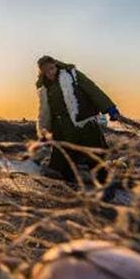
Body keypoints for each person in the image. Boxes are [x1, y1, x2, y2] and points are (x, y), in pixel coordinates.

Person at [36, 56, 120, 194]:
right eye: (46, 70)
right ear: (42, 72)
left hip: (83, 122)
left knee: (94, 156)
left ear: (56, 65)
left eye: (52, 68)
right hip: (61, 127)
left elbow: (93, 90)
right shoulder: (43, 86)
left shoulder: (71, 74)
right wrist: (44, 130)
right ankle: (70, 189)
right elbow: (44, 109)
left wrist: (109, 108)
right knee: (63, 160)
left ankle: (106, 189)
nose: (50, 72)